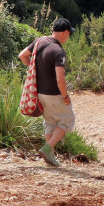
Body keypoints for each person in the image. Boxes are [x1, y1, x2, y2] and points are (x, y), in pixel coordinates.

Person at [18, 17, 74, 167]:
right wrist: (65, 96)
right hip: (55, 94)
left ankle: (50, 157)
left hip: (40, 93)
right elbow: (60, 79)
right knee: (67, 121)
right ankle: (47, 148)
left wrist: (34, 68)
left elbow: (22, 55)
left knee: (50, 123)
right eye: (69, 34)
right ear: (65, 32)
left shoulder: (39, 41)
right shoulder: (58, 51)